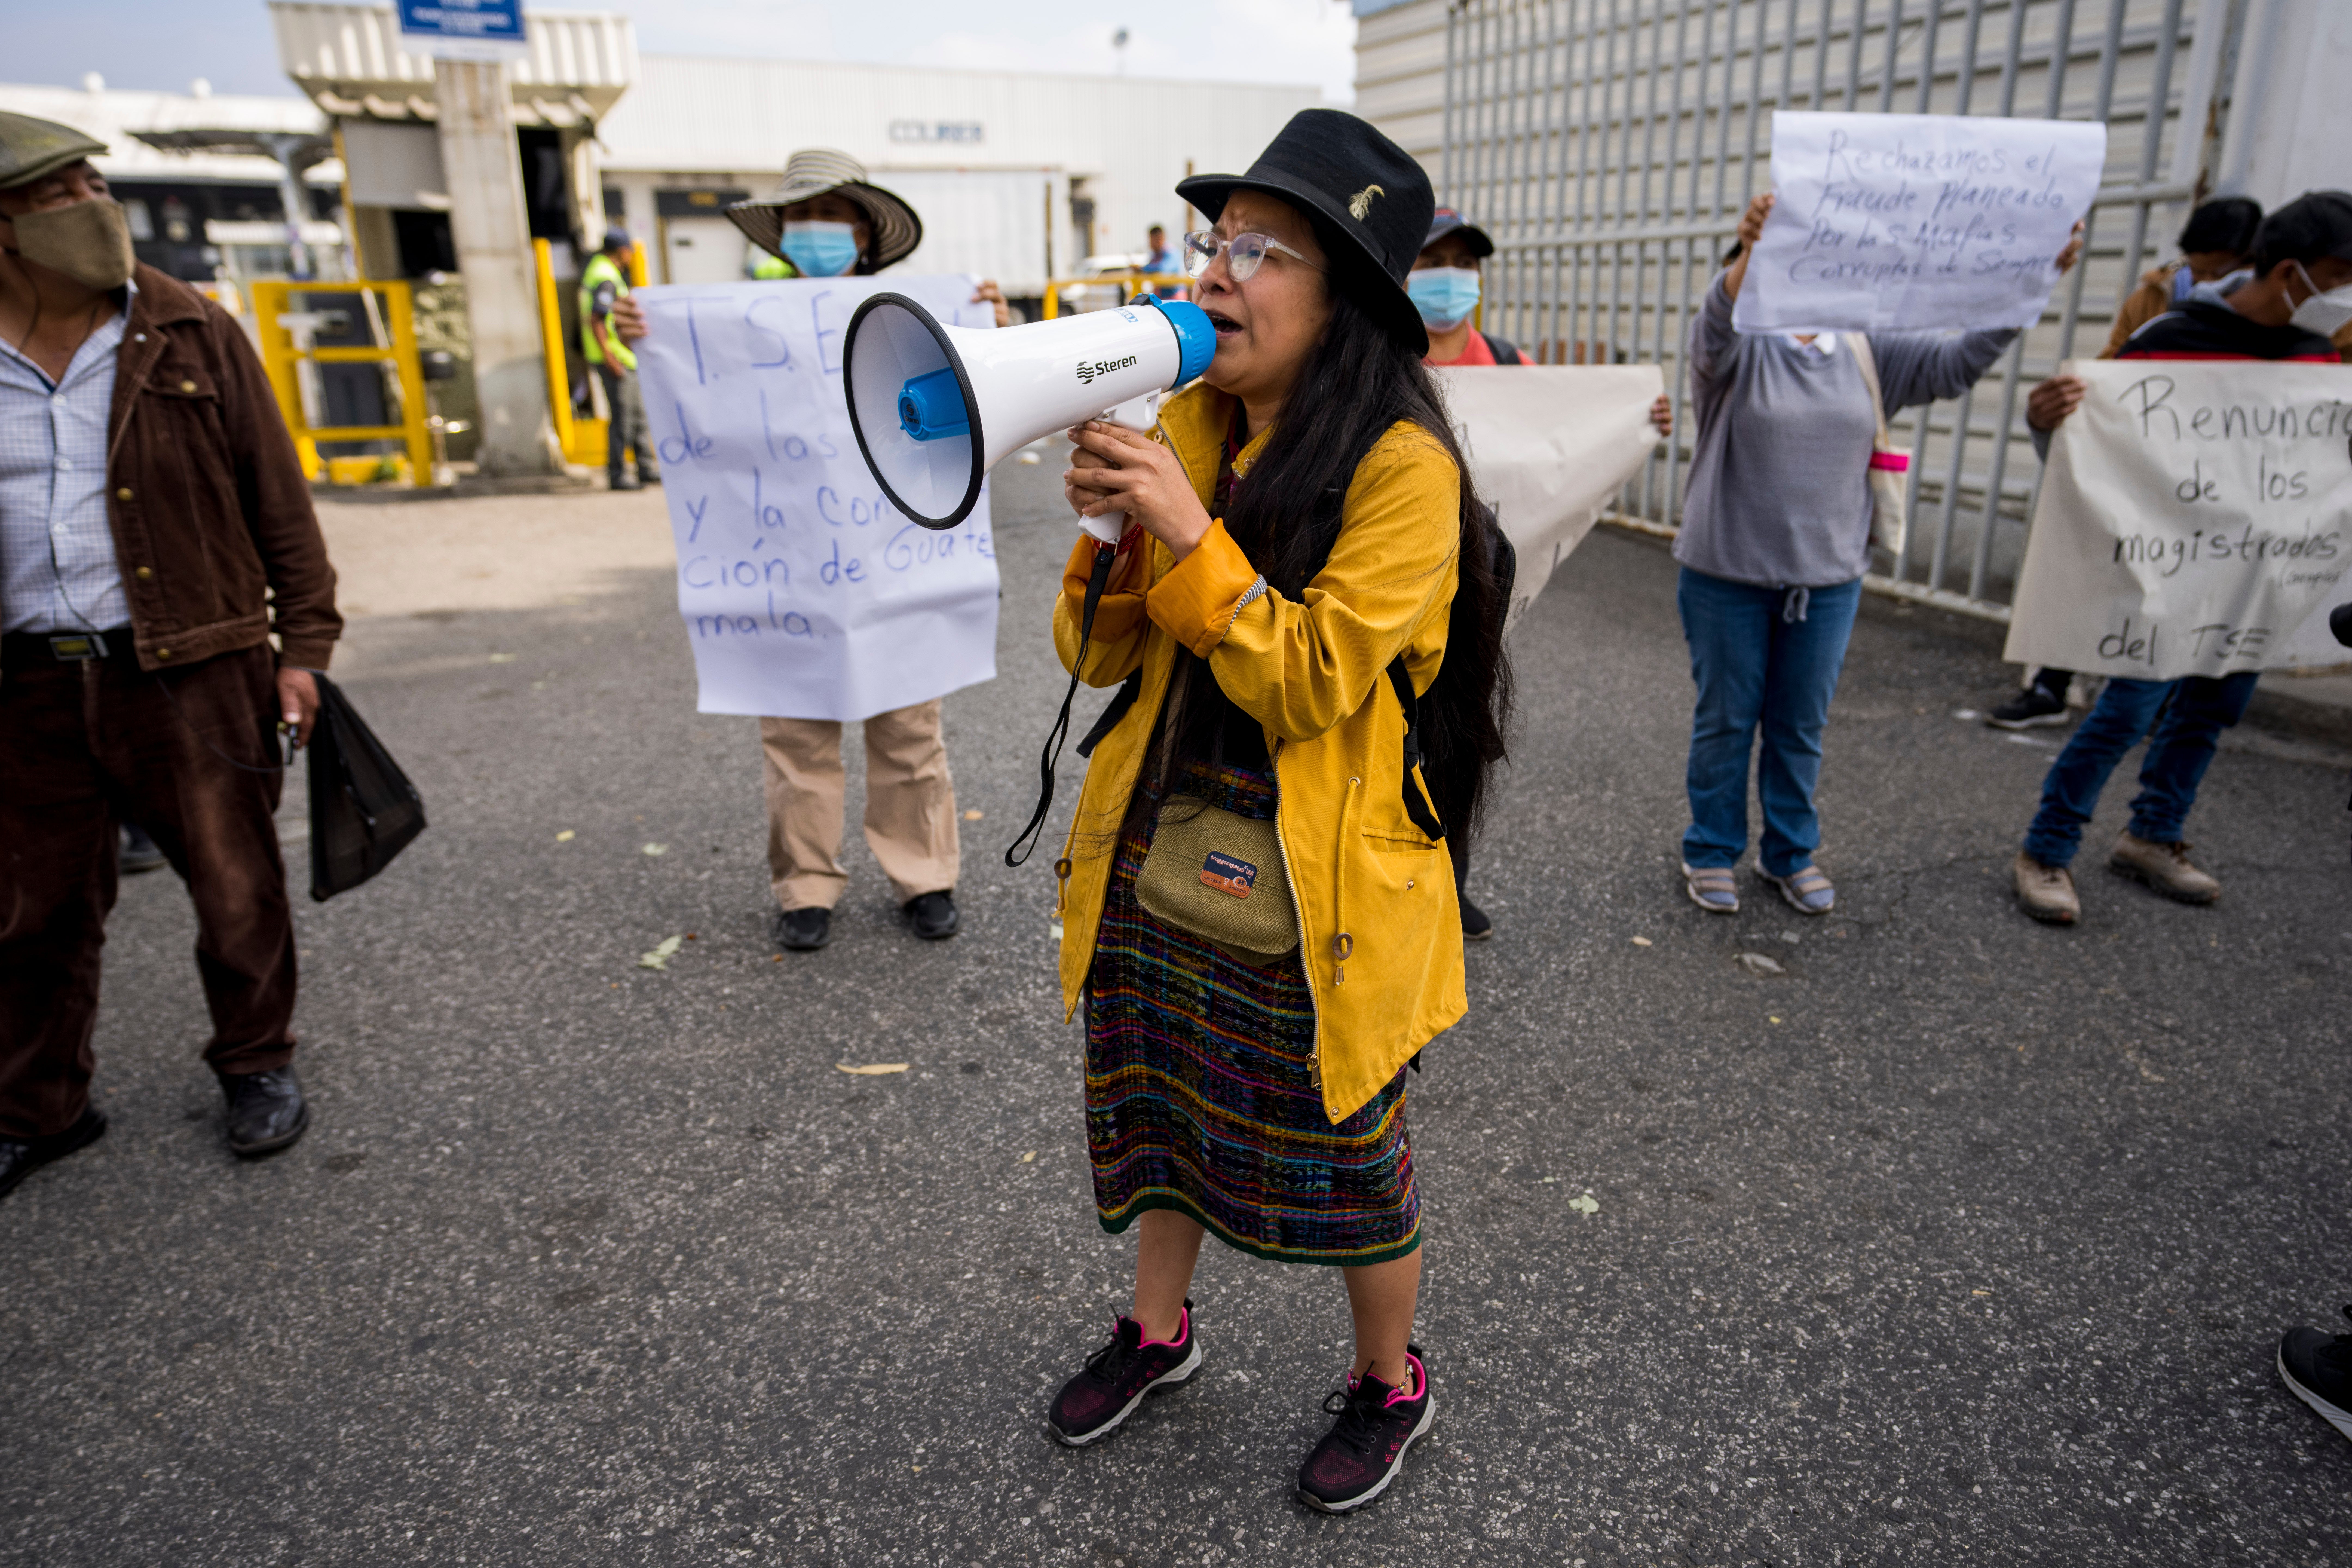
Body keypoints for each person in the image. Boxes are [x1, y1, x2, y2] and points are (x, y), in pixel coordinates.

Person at [1042, 108, 1510, 1513]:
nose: (1215, 275)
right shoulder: (1192, 422)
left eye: (1258, 250)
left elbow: (1311, 682)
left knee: (1349, 1149)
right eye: (1212, 243)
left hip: (1320, 879)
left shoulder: (1405, 474)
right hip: (1163, 831)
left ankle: (1390, 1382)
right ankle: (1159, 1331)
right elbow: (1097, 658)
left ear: (1348, 295)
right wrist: (1107, 546)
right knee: (1162, 1097)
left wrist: (1188, 529)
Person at [0, 113, 336, 1199]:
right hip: (26, 679)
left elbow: (276, 501)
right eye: (63, 192)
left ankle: (256, 1065)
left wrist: (307, 647)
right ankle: (41, 1107)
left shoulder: (192, 329)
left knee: (236, 885)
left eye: (98, 181)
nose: (96, 204)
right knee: (33, 908)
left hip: (191, 663)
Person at [615, 149, 1010, 953]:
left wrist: (988, 328)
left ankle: (924, 876)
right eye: (802, 217)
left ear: (867, 231)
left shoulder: (916, 310)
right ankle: (805, 884)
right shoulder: (731, 325)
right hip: (788, 559)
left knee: (908, 724)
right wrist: (642, 337)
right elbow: (699, 409)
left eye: (832, 216)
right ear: (781, 234)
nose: (816, 231)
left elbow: (984, 394)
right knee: (795, 733)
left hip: (897, 549)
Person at [1674, 191, 2081, 916]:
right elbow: (1715, 326)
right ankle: (1710, 850)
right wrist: (1751, 251)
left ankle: (1790, 855)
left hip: (1828, 579)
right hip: (1725, 574)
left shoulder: (1861, 343)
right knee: (1728, 720)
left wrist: (2029, 282)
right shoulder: (1737, 347)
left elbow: (1957, 365)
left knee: (1800, 725)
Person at [2009, 191, 2352, 925]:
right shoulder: (2172, 338)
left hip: (2252, 573)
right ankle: (2046, 849)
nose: (2348, 293)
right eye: (2342, 274)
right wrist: (2047, 423)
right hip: (2165, 576)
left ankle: (2154, 835)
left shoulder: (2318, 357)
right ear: (2293, 272)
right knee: (2129, 709)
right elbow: (2092, 450)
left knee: (2211, 709)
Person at [1408, 207, 1674, 939]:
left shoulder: (1508, 364)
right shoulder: (1391, 360)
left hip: (1480, 597)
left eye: (1463, 263)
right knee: (1397, 739)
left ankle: (1448, 884)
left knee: (1463, 742)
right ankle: (1394, 880)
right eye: (1434, 262)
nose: (1450, 278)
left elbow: (1572, 430)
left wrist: (1639, 418)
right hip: (1400, 588)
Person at [1988, 196, 2267, 731]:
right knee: (2100, 556)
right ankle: (2052, 684)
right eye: (2199, 267)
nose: (2206, 279)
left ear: (2252, 262)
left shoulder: (2281, 315)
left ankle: (2165, 692)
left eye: (2220, 270)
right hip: (2150, 457)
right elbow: (2113, 366)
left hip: (2224, 473)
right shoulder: (2159, 293)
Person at [580, 228, 654, 492]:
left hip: (624, 358)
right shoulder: (605, 277)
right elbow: (597, 320)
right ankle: (618, 474)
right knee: (622, 417)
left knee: (637, 415)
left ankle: (645, 468)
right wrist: (609, 358)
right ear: (623, 252)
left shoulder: (602, 272)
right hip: (614, 358)